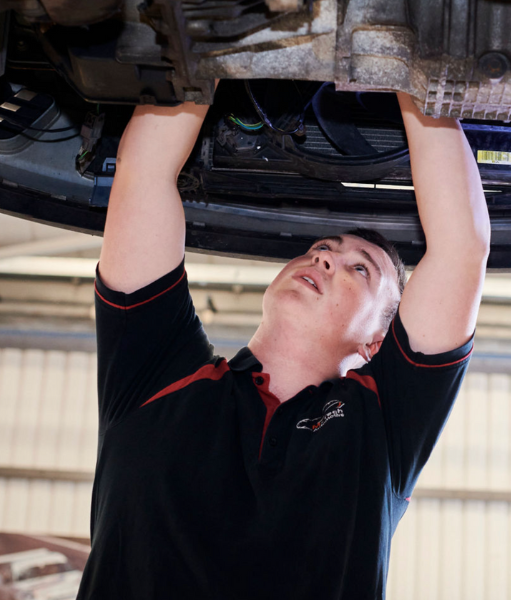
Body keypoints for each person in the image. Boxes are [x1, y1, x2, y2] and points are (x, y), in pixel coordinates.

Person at [79, 91, 489, 599]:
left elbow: (460, 248)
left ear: (376, 342)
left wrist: (416, 72)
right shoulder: (160, 375)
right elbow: (144, 176)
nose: (324, 260)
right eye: (322, 249)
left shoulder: (383, 424)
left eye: (360, 269)